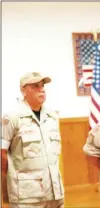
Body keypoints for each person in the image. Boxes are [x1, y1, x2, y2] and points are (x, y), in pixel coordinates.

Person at [1, 72, 64, 208]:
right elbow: (2, 154)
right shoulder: (12, 117)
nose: (41, 89)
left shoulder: (52, 116)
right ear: (24, 91)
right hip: (27, 196)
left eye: (42, 86)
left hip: (54, 193)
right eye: (35, 86)